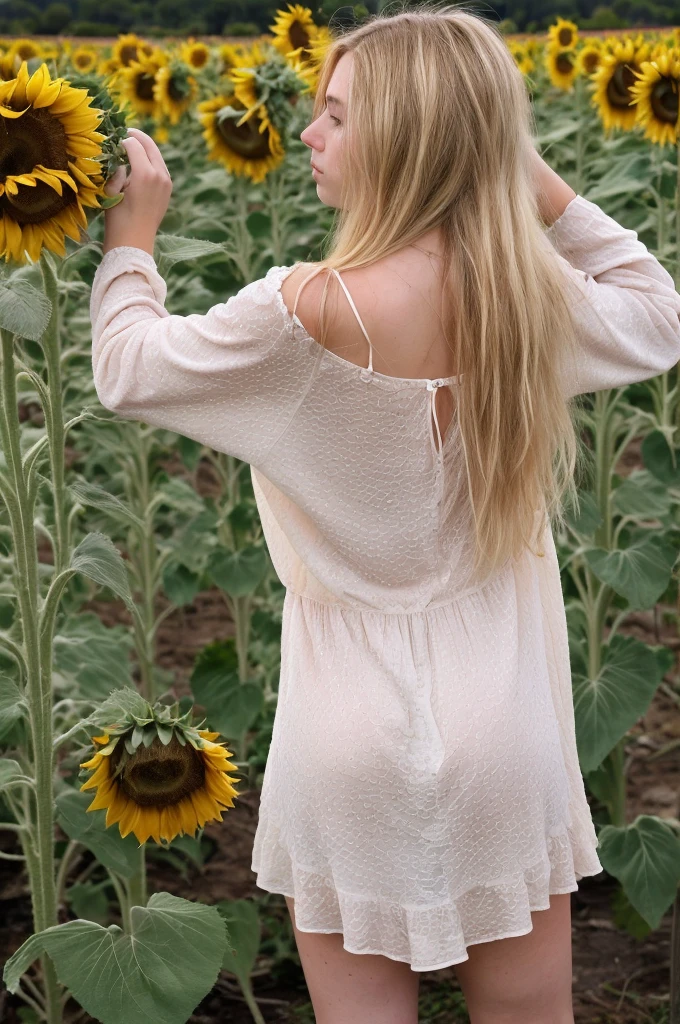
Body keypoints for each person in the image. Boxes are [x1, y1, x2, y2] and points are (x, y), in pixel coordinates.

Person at [90, 5, 680, 1023]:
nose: (309, 135)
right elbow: (656, 312)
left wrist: (131, 240)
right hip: (505, 719)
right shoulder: (521, 299)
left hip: (344, 726)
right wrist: (516, 170)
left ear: (407, 138)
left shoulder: (302, 310)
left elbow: (127, 370)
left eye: (336, 114)